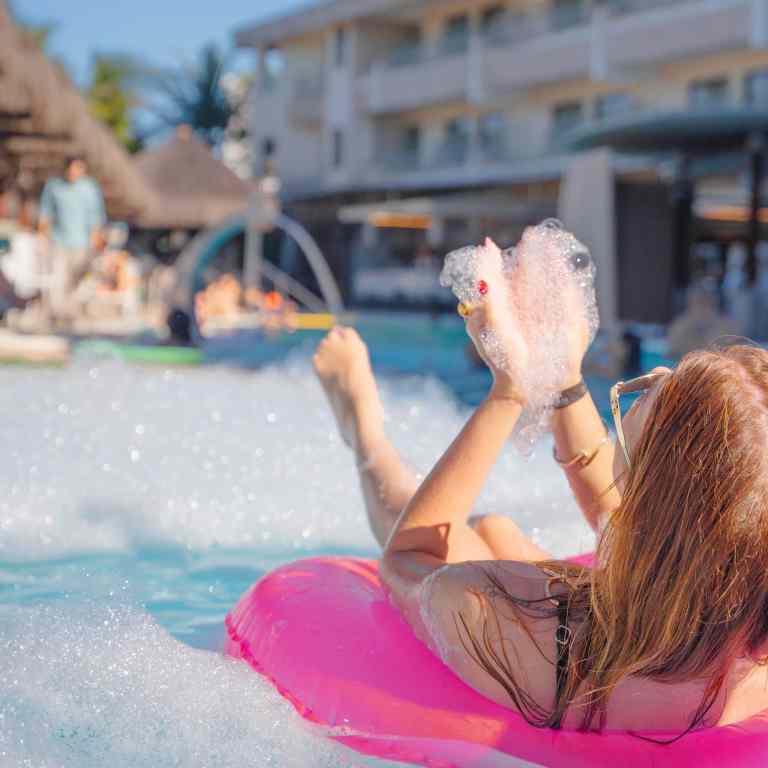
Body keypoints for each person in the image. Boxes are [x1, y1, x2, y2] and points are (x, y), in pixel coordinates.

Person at [313, 235, 768, 736]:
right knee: (498, 530)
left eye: (637, 400)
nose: (658, 371)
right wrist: (563, 376)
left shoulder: (499, 621)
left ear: (651, 501)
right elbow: (655, 523)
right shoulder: (748, 631)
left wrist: (509, 390)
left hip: (561, 662)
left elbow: (406, 560)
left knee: (463, 535)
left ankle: (364, 431)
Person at [38, 156, 106, 323]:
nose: (74, 172)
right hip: (59, 241)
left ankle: (69, 313)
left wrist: (97, 240)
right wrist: (42, 237)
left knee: (75, 280)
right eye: (72, 169)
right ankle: (56, 314)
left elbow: (96, 216)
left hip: (82, 243)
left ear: (83, 170)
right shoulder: (54, 186)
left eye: (78, 169)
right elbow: (45, 212)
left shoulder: (90, 188)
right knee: (58, 278)